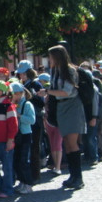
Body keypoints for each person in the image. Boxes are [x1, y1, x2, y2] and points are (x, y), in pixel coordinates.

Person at [37, 45, 86, 190]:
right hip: (61, 107)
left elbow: (67, 91)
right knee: (66, 143)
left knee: (72, 143)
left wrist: (47, 91)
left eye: (51, 56)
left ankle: (78, 177)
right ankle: (72, 175)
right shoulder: (55, 70)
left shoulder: (69, 70)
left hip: (72, 106)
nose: (49, 59)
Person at [17, 61, 45, 182]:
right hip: (24, 122)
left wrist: (31, 97)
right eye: (20, 73)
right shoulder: (22, 84)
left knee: (34, 148)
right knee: (25, 149)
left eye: (23, 73)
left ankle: (35, 174)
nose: (21, 76)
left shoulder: (35, 84)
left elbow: (41, 102)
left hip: (35, 119)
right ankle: (26, 174)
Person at [11, 82, 36, 194]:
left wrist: (19, 116)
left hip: (25, 134)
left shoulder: (27, 104)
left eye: (14, 94)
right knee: (16, 160)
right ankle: (22, 181)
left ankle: (28, 183)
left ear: (20, 93)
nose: (13, 96)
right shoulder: (13, 104)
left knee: (24, 160)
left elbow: (32, 120)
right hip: (16, 135)